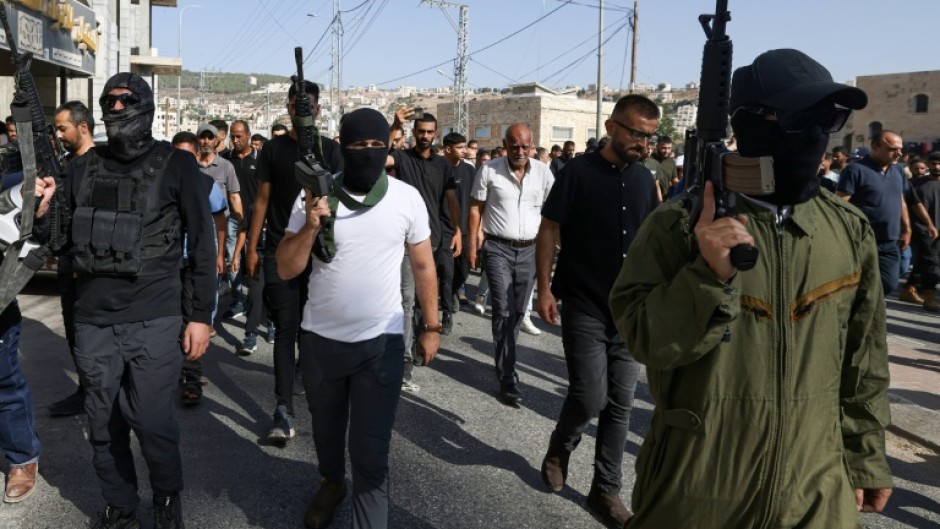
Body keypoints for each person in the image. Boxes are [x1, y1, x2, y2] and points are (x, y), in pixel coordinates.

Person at [609, 49, 892, 528]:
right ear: (751, 123)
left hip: (816, 489)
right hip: (698, 491)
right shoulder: (679, 226)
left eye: (830, 117)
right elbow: (646, 341)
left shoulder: (846, 230)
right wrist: (706, 276)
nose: (819, 133)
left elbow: (864, 356)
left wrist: (865, 453)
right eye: (800, 117)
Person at [34, 72, 215, 528]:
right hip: (94, 319)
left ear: (145, 104)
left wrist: (200, 317)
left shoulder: (177, 165)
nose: (116, 108)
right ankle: (121, 505)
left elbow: (204, 245)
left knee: (151, 420)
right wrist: (42, 207)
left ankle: (167, 499)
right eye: (108, 101)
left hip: (155, 316)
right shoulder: (81, 168)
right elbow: (51, 242)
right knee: (102, 423)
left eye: (125, 100)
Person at [277, 108, 440, 529]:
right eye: (357, 146)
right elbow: (285, 267)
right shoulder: (315, 195)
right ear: (341, 147)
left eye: (376, 145)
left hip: (380, 344)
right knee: (328, 437)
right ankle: (331, 483)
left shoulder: (406, 198)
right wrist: (312, 226)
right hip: (321, 343)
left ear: (388, 147)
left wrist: (431, 326)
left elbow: (423, 266)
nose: (367, 153)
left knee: (371, 451)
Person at [536, 94, 660, 528]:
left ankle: (605, 490)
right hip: (584, 304)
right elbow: (549, 228)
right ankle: (560, 447)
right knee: (590, 395)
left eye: (649, 136)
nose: (643, 143)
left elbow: (654, 243)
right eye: (635, 133)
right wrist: (544, 288)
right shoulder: (576, 172)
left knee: (621, 405)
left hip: (629, 312)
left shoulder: (647, 181)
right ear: (611, 127)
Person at [246, 80, 343, 444]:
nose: (303, 111)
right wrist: (252, 248)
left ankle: (313, 392)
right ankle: (282, 408)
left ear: (318, 109)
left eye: (309, 105)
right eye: (296, 105)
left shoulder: (330, 150)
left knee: (313, 331)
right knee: (286, 330)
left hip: (319, 256)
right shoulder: (272, 150)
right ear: (288, 108)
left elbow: (339, 204)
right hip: (278, 249)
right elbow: (262, 201)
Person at [468, 123, 554, 405]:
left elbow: (552, 213)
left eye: (525, 146)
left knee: (517, 312)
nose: (520, 151)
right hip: (497, 249)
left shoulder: (543, 172)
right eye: (514, 146)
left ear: (532, 146)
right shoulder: (489, 169)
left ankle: (505, 354)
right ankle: (508, 377)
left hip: (530, 251)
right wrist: (473, 243)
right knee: (503, 310)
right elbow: (475, 208)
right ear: (505, 145)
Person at [386, 110, 461, 392]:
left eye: (430, 132)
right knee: (406, 300)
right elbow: (380, 157)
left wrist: (458, 232)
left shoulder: (443, 166)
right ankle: (404, 366)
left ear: (436, 133)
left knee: (425, 301)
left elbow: (451, 198)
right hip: (407, 242)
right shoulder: (403, 158)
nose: (426, 136)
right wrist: (394, 125)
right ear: (414, 132)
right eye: (421, 131)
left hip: (434, 240)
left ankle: (417, 346)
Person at [48, 100, 96, 417]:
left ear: (82, 127)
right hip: (69, 264)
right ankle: (87, 392)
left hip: (92, 269)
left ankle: (99, 397)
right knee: (74, 333)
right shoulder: (65, 165)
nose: (59, 134)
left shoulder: (101, 165)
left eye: (62, 128)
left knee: (93, 336)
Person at [837, 130, 910, 295]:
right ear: (875, 147)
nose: (899, 153)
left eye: (900, 149)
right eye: (893, 149)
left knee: (889, 283)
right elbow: (840, 204)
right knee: (861, 284)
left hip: (890, 241)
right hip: (863, 239)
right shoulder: (855, 170)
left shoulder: (898, 170)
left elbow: (901, 200)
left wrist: (907, 229)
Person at [900, 152, 940, 310]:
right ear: (929, 165)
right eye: (934, 163)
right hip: (924, 230)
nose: (937, 167)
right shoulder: (916, 184)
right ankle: (930, 296)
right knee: (932, 262)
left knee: (925, 262)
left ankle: (908, 289)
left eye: (939, 163)